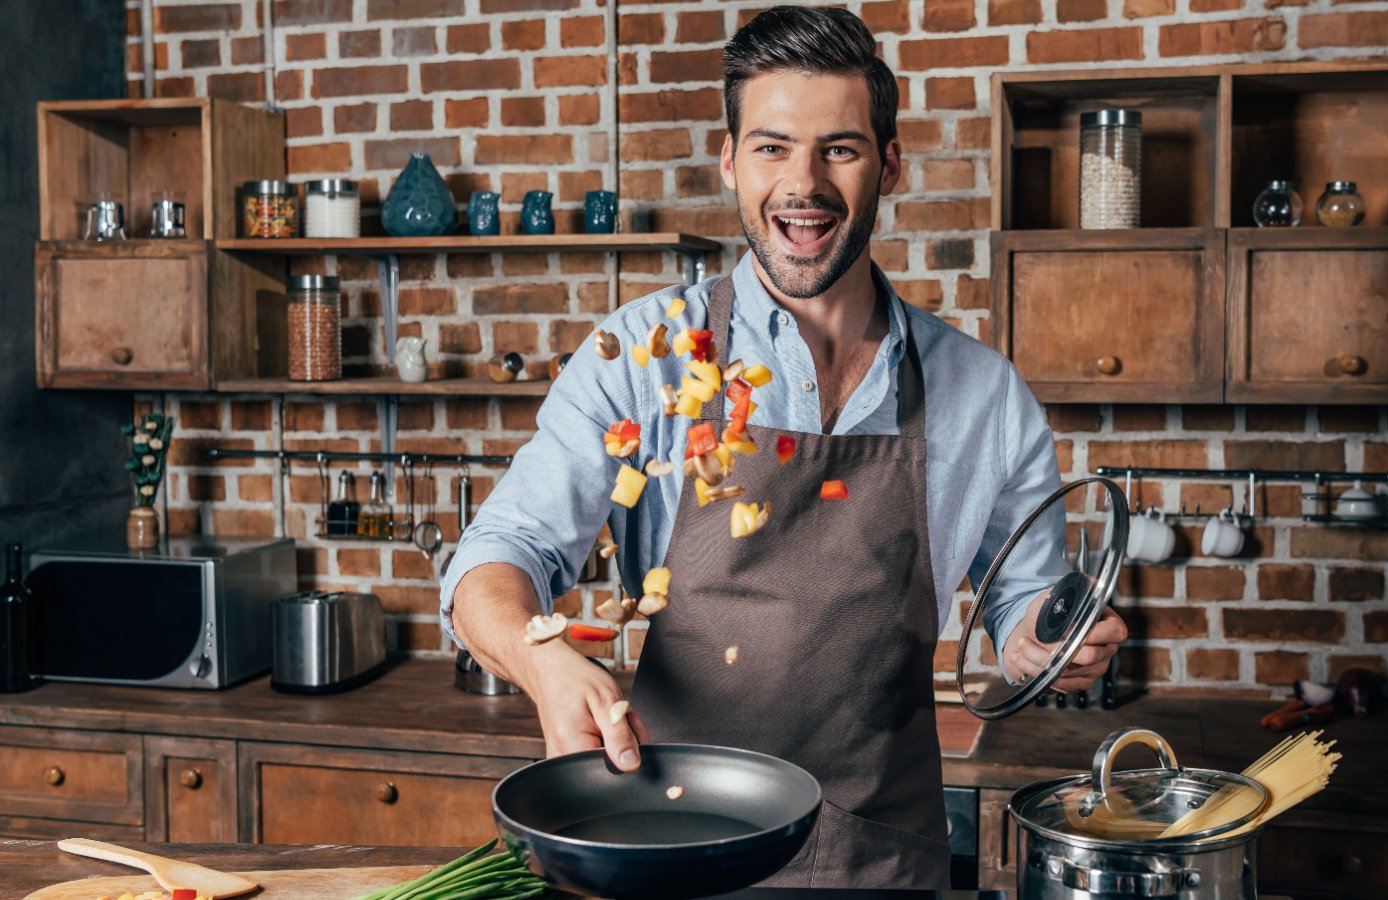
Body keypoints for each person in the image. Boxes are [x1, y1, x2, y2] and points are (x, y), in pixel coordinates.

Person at [442, 5, 1127, 890]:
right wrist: (543, 663)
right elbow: (496, 558)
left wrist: (1050, 645)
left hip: (877, 860)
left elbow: (1023, 609)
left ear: (889, 163)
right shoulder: (646, 358)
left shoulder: (982, 393)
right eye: (771, 147)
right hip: (669, 846)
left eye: (838, 149)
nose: (802, 184)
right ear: (729, 160)